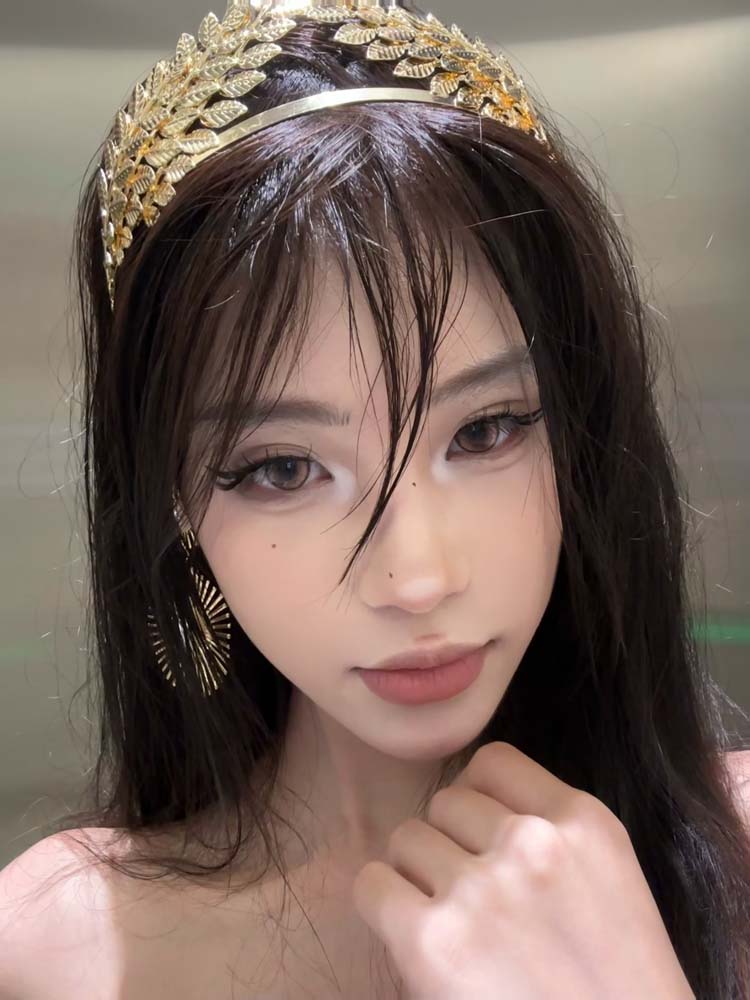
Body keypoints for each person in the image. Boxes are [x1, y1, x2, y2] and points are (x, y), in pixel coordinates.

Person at [1, 0, 748, 997]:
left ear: (580, 432)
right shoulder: (54, 947)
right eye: (283, 469)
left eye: (486, 429)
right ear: (172, 499)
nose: (417, 577)